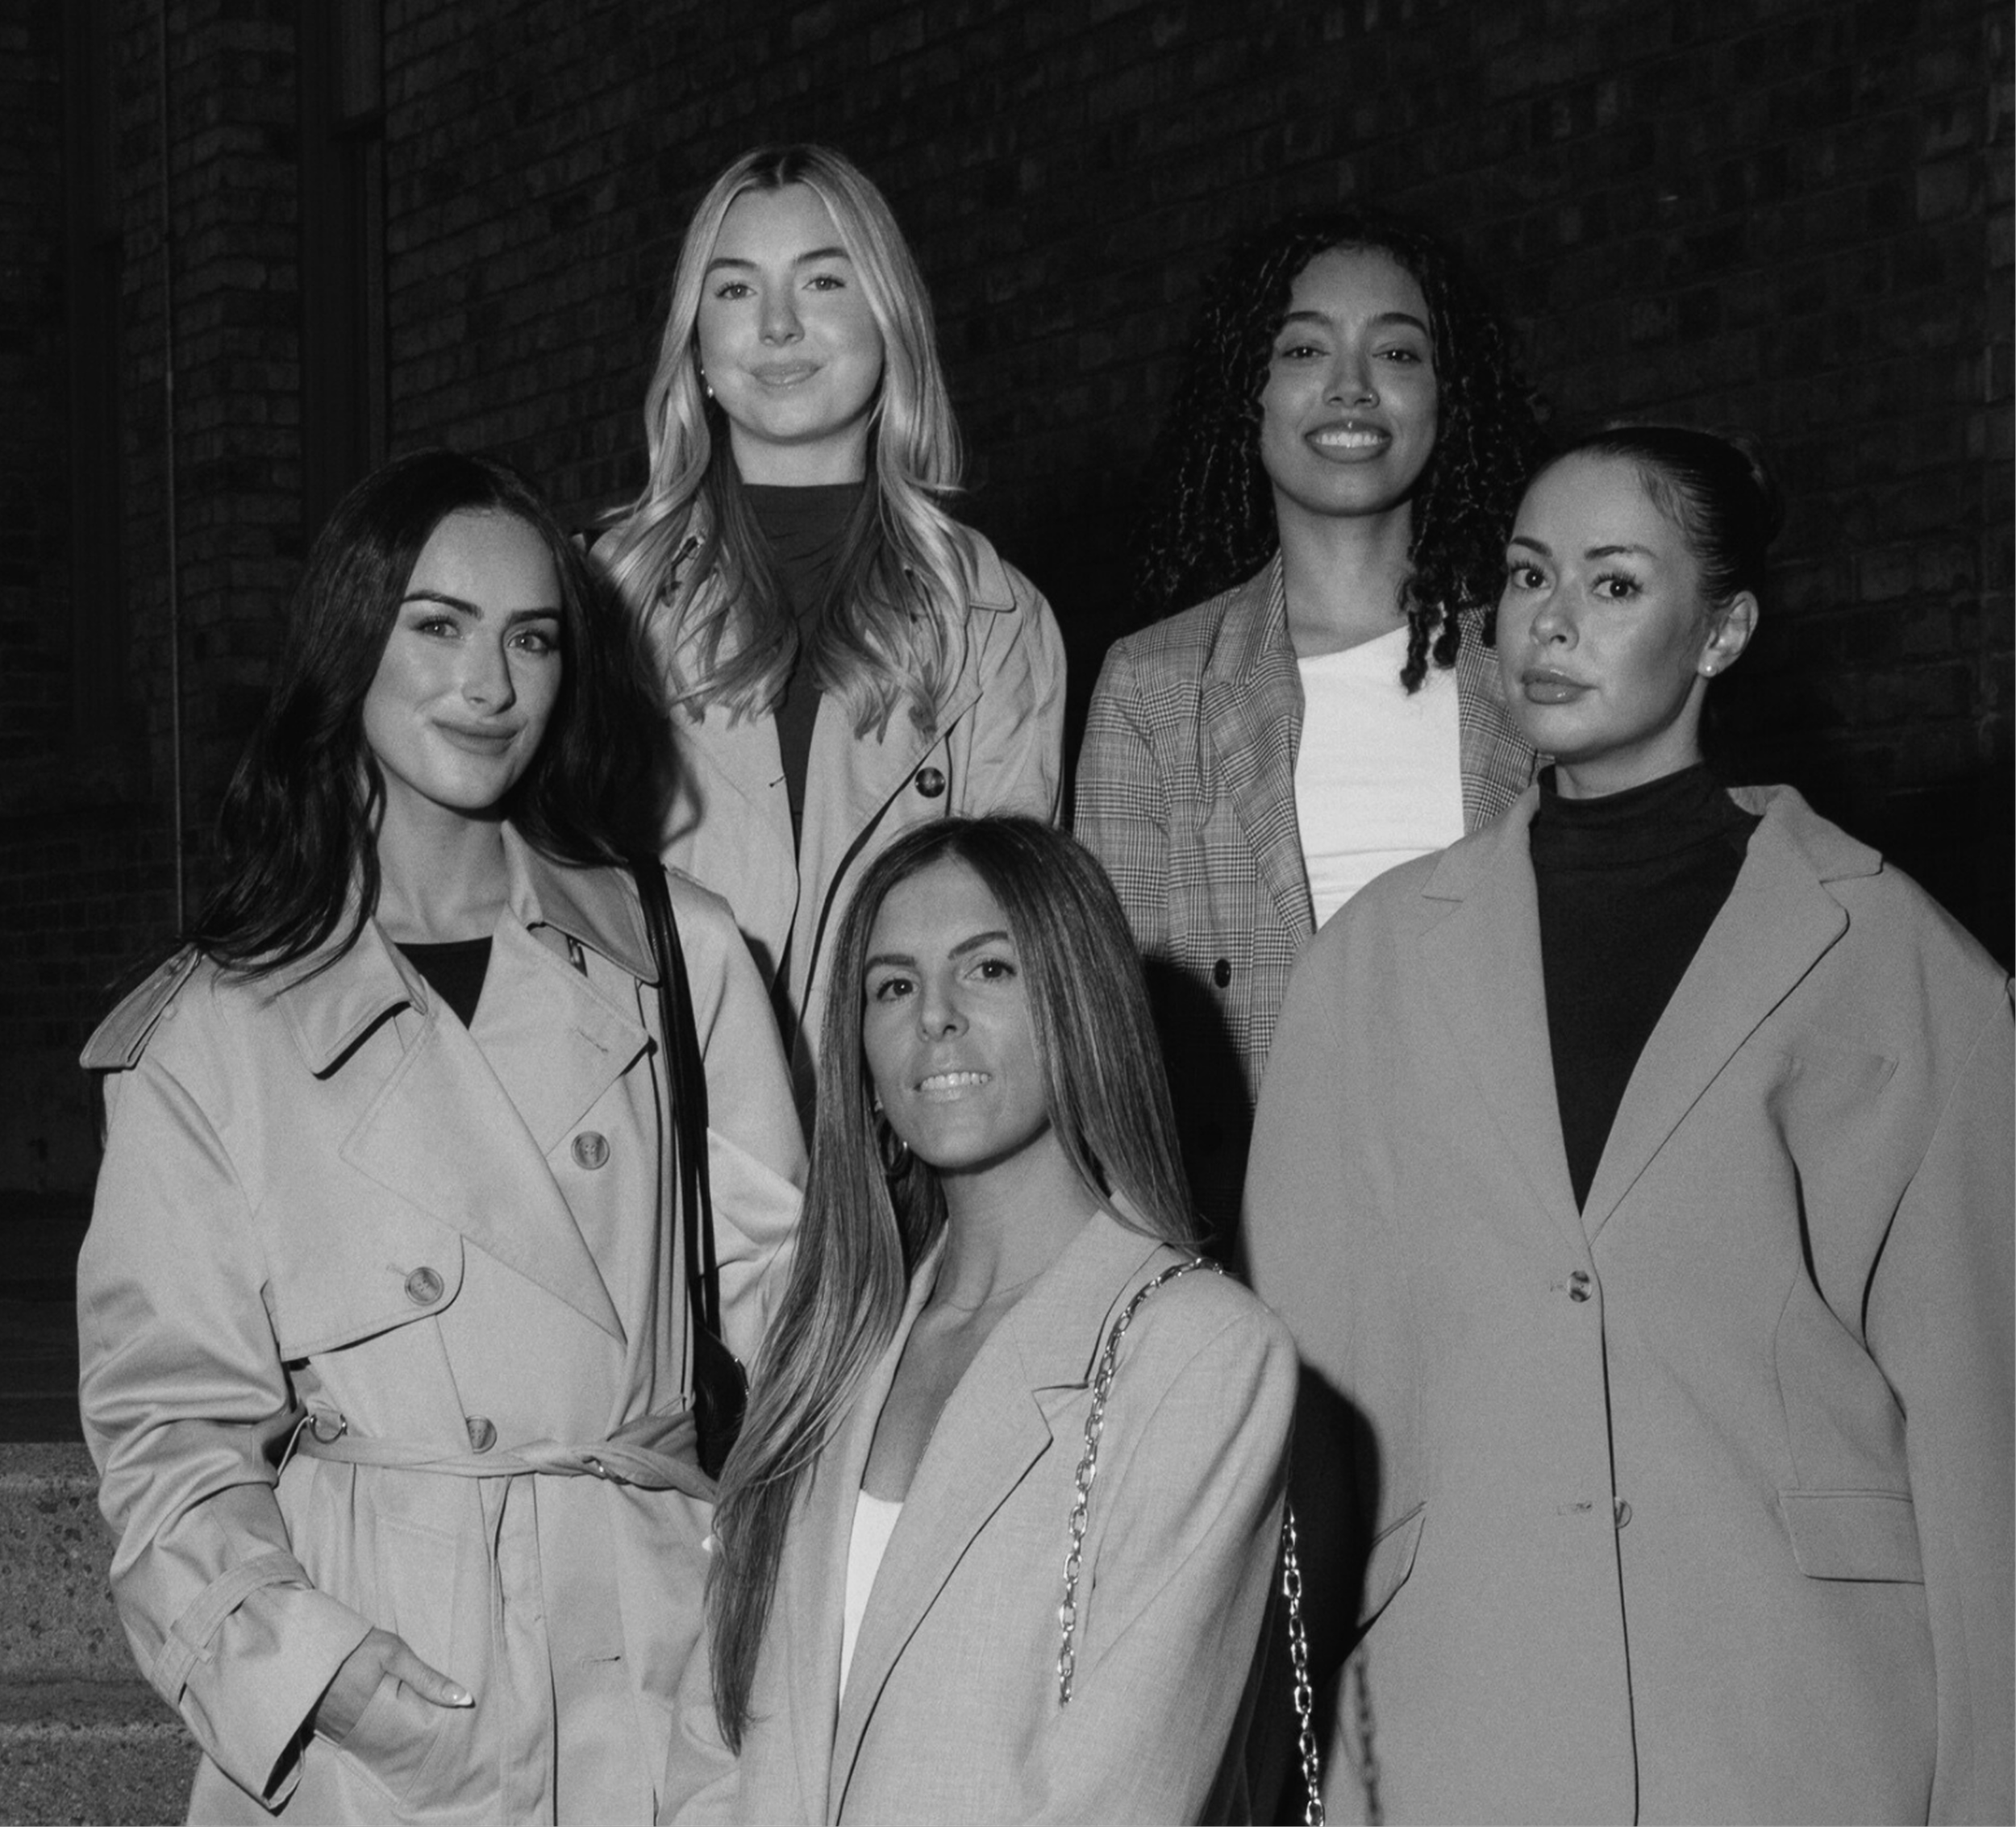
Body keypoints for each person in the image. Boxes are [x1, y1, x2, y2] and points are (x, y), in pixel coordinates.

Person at [1245, 426, 2015, 1824]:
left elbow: (1985, 1429)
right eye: (1529, 575)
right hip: (1455, 1719)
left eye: (1613, 584)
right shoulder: (1367, 969)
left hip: (1802, 1721)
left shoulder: (1895, 957)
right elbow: (1303, 1405)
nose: (1549, 619)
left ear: (1721, 631)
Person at [76, 451, 806, 1825]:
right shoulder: (218, 1028)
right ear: (351, 643)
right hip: (390, 1670)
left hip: (651, 1664)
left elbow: (787, 1336)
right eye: (439, 626)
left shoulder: (678, 954)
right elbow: (168, 1431)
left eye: (532, 639)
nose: (492, 684)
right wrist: (331, 1680)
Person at [660, 818, 1297, 1825]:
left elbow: (1123, 1797)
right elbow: (711, 1731)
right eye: (893, 986)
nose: (935, 1018)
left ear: (1079, 1002)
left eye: (989, 969)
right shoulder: (829, 1345)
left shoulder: (1203, 1355)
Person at [1076, 208, 1545, 1235]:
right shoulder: (1155, 688)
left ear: (1444, 394)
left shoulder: (1534, 671)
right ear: (1247, 392)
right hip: (1257, 1240)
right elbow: (1112, 1049)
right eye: (1302, 348)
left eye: (1395, 350)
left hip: (1507, 1220)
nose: (1350, 385)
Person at [598, 145, 1066, 1105]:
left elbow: (1017, 962)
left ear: (888, 316)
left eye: (822, 278)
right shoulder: (599, 602)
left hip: (903, 1161)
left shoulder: (995, 620)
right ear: (695, 345)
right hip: (659, 1160)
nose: (777, 325)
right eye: (734, 290)